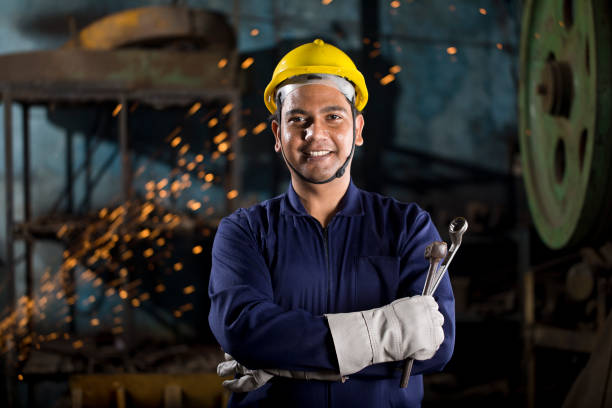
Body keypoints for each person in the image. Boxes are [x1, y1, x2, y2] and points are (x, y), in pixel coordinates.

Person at [208, 38, 455, 407]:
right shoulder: (244, 232)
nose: (315, 134)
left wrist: (283, 362)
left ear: (357, 129)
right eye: (298, 119)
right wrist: (383, 338)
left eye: (333, 116)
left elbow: (437, 344)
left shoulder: (407, 227)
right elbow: (242, 329)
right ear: (278, 135)